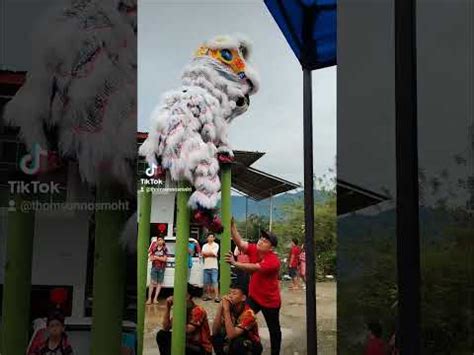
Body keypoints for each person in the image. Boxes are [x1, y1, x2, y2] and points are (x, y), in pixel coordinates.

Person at [225, 217, 282, 355]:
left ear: (271, 247)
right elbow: (240, 243)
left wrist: (234, 263)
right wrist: (232, 227)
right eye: (261, 238)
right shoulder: (254, 250)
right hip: (254, 297)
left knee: (274, 330)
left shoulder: (273, 261)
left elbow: (253, 268)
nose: (261, 240)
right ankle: (243, 346)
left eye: (265, 240)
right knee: (242, 319)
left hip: (270, 301)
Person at [156, 283, 212, 355]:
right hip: (187, 344)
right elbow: (166, 327)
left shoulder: (198, 310)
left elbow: (187, 330)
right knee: (162, 335)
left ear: (188, 296)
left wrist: (177, 309)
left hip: (201, 348)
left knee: (176, 342)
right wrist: (168, 307)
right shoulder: (181, 309)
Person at [211, 283, 263, 355]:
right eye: (229, 293)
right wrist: (220, 308)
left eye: (234, 294)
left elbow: (231, 335)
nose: (230, 296)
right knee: (216, 338)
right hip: (234, 339)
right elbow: (214, 331)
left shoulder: (249, 314)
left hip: (251, 345)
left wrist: (226, 311)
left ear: (243, 298)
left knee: (238, 343)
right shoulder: (230, 307)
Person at [147, 236, 168, 304]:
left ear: (163, 241)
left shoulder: (165, 249)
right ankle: (149, 299)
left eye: (161, 240)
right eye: (159, 240)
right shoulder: (153, 248)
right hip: (154, 267)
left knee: (159, 283)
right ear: (157, 241)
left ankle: (155, 299)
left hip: (162, 268)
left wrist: (156, 257)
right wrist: (159, 258)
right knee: (152, 283)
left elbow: (165, 259)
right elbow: (151, 258)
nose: (160, 241)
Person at [201, 233, 220, 302]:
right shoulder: (204, 245)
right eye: (209, 237)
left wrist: (208, 254)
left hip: (214, 266)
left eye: (212, 237)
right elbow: (202, 254)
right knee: (207, 282)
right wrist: (212, 254)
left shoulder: (216, 245)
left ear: (214, 238)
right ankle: (208, 296)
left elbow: (214, 253)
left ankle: (217, 296)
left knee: (215, 281)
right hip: (206, 266)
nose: (210, 238)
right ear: (207, 238)